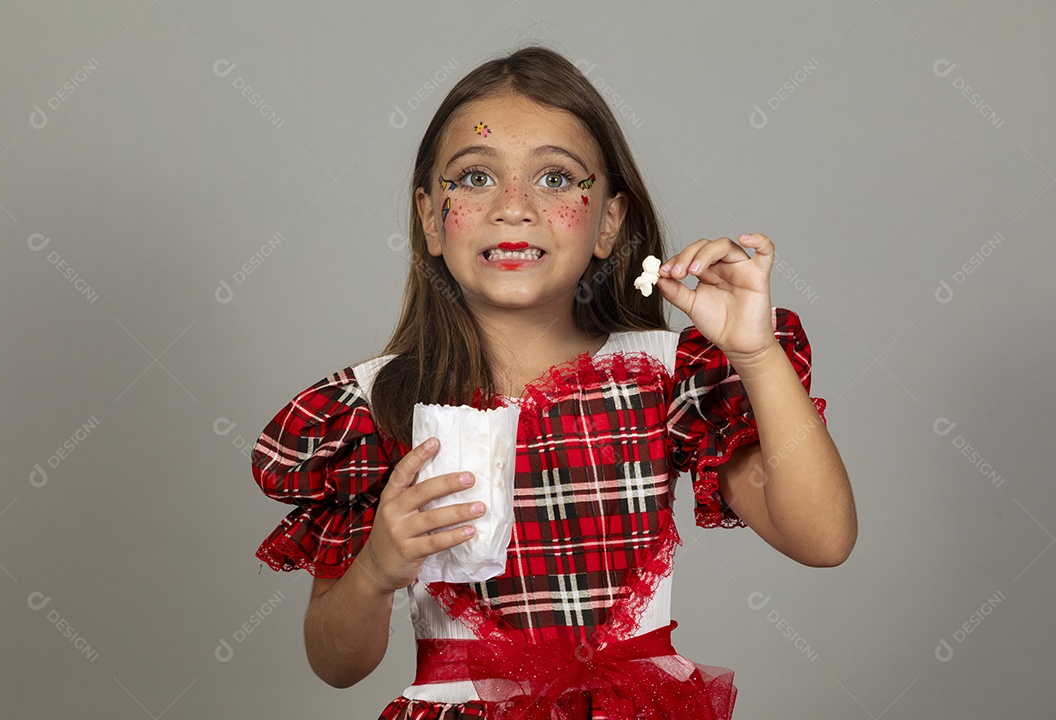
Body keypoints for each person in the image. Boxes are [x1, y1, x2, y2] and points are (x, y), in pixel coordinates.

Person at [250, 44, 856, 720]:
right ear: (429, 218)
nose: (514, 207)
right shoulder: (376, 410)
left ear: (609, 223)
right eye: (475, 178)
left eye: (557, 179)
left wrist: (757, 353)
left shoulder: (664, 377)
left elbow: (823, 539)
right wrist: (377, 571)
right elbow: (335, 665)